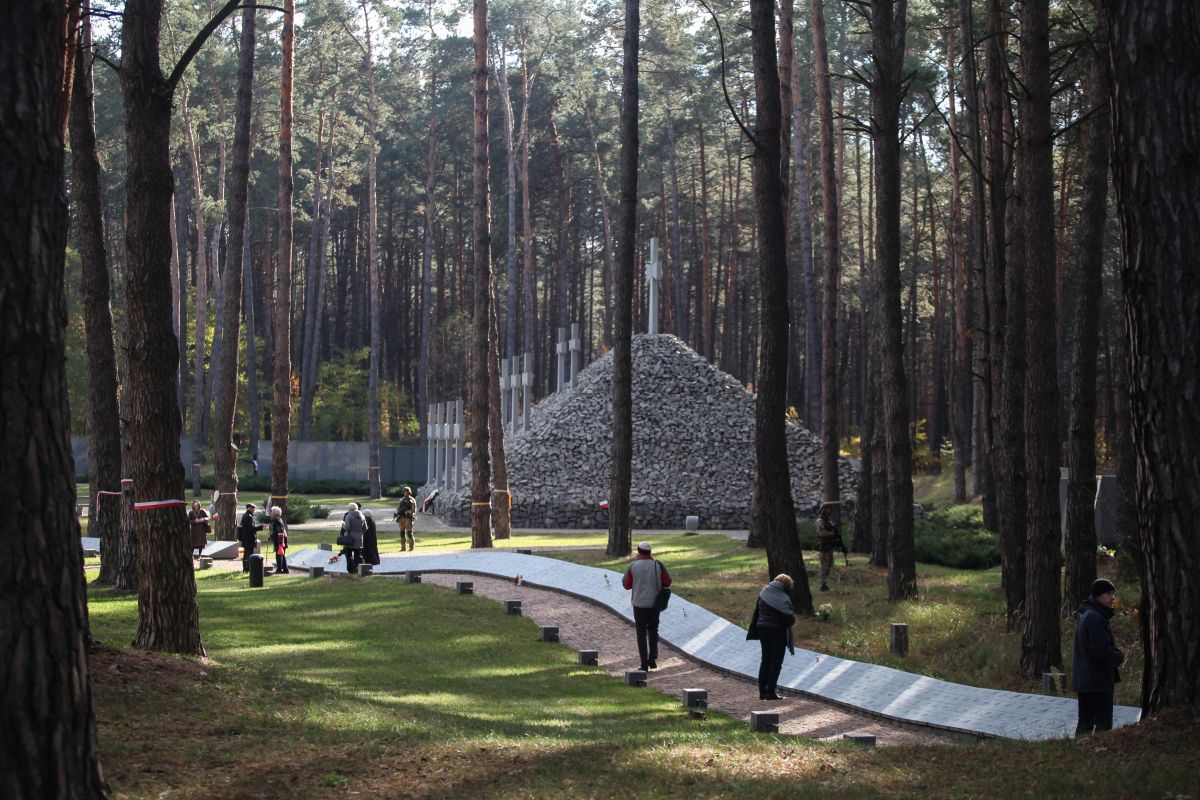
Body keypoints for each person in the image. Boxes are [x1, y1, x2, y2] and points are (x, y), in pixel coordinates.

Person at [1073, 578, 1125, 736]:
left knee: (1085, 724)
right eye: (1108, 594)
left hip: (1086, 679)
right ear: (1098, 596)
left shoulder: (1087, 614)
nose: (1112, 598)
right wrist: (1118, 657)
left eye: (1112, 594)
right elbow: (1100, 650)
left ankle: (1081, 749)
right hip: (1097, 680)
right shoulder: (1095, 617)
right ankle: (1099, 750)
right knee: (1102, 726)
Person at [622, 541, 671, 672]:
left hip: (639, 604)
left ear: (639, 551)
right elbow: (667, 582)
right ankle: (653, 658)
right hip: (654, 604)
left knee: (641, 633)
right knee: (653, 629)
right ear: (650, 552)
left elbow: (626, 585)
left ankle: (644, 664)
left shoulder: (633, 566)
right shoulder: (657, 565)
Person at [747, 574, 796, 701]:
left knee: (765, 660)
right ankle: (770, 692)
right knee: (776, 661)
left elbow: (757, 610)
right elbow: (789, 619)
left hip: (762, 629)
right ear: (785, 586)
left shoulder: (764, 591)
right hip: (777, 632)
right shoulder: (782, 598)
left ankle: (762, 692)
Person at [816, 503, 843, 591]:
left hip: (829, 547)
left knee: (828, 566)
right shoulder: (820, 521)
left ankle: (824, 584)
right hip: (824, 547)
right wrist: (833, 534)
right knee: (824, 566)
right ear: (823, 510)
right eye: (827, 509)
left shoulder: (828, 522)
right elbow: (822, 533)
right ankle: (822, 585)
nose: (829, 511)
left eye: (830, 509)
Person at [335, 502, 366, 574]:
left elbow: (347, 527)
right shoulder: (362, 516)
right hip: (359, 539)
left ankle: (351, 570)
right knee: (358, 555)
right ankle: (359, 570)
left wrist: (343, 524)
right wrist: (359, 534)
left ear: (350, 509)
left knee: (348, 555)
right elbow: (365, 528)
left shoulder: (349, 516)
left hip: (350, 539)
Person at [237, 503, 264, 573]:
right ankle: (247, 568)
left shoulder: (245, 515)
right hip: (249, 539)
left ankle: (245, 568)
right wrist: (260, 527)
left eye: (254, 508)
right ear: (248, 508)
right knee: (249, 554)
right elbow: (251, 529)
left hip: (245, 538)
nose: (254, 509)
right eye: (253, 508)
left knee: (246, 554)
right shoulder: (249, 516)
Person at [267, 505, 289, 574]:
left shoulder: (276, 520)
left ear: (274, 513)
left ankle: (279, 570)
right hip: (282, 539)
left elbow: (279, 531)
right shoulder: (279, 519)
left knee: (279, 555)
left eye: (271, 511)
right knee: (282, 554)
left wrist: (280, 542)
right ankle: (285, 569)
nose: (270, 513)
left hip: (280, 540)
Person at [394, 487, 417, 551]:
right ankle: (403, 547)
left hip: (408, 518)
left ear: (409, 493)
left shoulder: (412, 500)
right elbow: (398, 508)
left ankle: (411, 547)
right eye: (404, 492)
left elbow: (413, 510)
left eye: (407, 492)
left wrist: (408, 512)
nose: (406, 493)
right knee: (402, 533)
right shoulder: (402, 500)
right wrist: (398, 512)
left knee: (409, 533)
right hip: (401, 518)